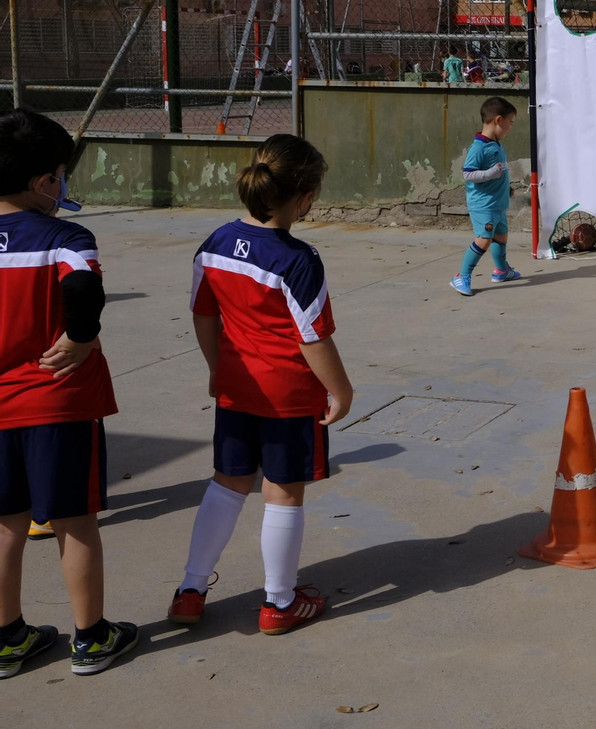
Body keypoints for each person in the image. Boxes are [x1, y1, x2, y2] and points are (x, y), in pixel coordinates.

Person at [168, 135, 353, 636]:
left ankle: (190, 590)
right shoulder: (299, 259)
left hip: (236, 388)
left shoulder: (215, 243)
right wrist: (342, 391)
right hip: (289, 397)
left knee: (226, 485)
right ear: (306, 197)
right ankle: (278, 602)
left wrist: (216, 367)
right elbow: (313, 339)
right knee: (282, 494)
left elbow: (203, 315)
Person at [0, 109, 139, 677]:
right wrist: (82, 336)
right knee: (74, 521)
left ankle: (7, 639)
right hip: (57, 400)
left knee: (6, 522)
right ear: (44, 182)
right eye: (61, 175)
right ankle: (91, 636)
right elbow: (82, 284)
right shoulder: (66, 236)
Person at [450, 97, 520, 296]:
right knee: (484, 239)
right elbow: (468, 174)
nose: (511, 127)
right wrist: (490, 174)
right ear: (499, 120)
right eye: (511, 122)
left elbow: (500, 172)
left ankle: (501, 270)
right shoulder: (478, 147)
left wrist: (506, 188)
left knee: (501, 236)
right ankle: (461, 276)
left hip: (498, 203)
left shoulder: (496, 144)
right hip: (483, 205)